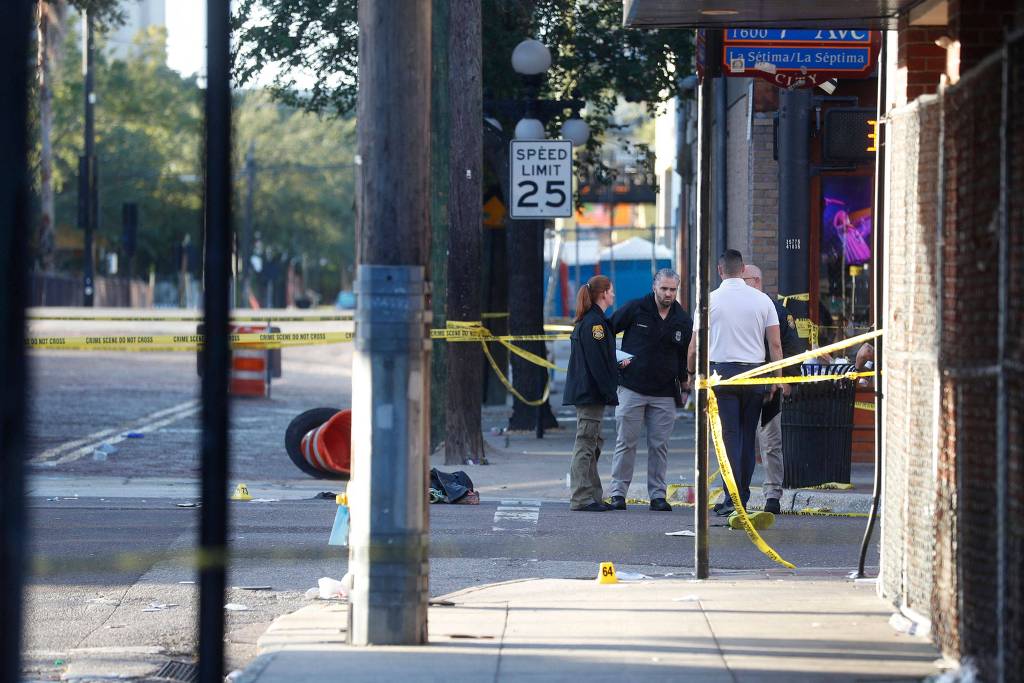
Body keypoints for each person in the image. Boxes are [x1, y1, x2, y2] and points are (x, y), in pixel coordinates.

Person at [686, 250, 789, 518]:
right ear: (743, 269)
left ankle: (733, 497)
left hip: (722, 375)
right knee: (747, 436)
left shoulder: (708, 301)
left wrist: (690, 373)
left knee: (729, 436)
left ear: (720, 271)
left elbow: (695, 348)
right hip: (755, 374)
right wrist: (778, 379)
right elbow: (775, 344)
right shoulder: (762, 300)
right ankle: (741, 494)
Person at [607, 269, 692, 512]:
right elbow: (607, 331)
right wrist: (617, 362)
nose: (668, 293)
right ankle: (617, 494)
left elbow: (684, 355)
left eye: (672, 289)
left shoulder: (683, 320)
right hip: (632, 388)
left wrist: (685, 383)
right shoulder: (635, 308)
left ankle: (657, 495)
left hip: (665, 392)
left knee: (659, 445)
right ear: (654, 286)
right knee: (626, 442)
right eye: (664, 288)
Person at [742, 264, 805, 514]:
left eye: (743, 279)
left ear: (755, 280)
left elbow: (790, 348)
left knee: (769, 442)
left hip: (768, 385)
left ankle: (772, 496)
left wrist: (786, 380)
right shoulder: (739, 308)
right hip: (742, 385)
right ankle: (736, 494)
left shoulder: (776, 310)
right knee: (740, 441)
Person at [563, 275, 618, 512]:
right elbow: (597, 363)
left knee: (593, 442)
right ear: (603, 293)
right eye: (611, 291)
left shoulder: (593, 320)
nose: (614, 295)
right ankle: (582, 497)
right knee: (586, 443)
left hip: (589, 393)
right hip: (591, 394)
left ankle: (592, 495)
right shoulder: (595, 324)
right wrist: (609, 390)